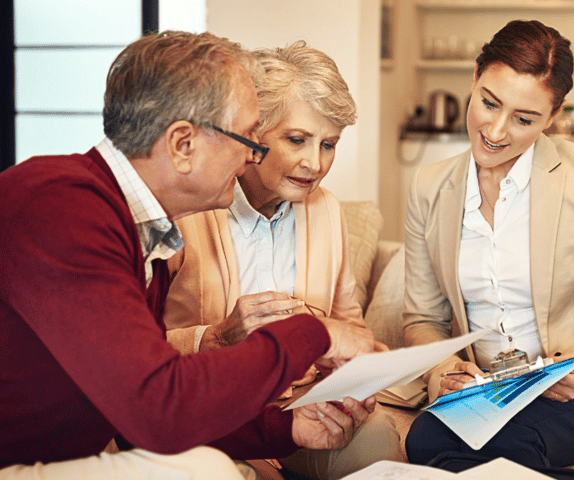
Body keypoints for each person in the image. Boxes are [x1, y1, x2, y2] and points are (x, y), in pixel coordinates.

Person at [0, 31, 377, 480]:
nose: (252, 157)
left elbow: (154, 408)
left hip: (74, 452)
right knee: (208, 471)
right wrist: (314, 334)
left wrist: (287, 427)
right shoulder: (62, 203)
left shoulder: (145, 233)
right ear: (183, 145)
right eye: (249, 137)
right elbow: (160, 407)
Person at [403, 20, 574, 469]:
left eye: (524, 119)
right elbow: (422, 320)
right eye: (489, 103)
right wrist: (443, 369)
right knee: (423, 441)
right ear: (474, 77)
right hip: (491, 394)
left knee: (507, 447)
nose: (496, 130)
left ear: (553, 115)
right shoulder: (429, 187)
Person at [163, 41, 403, 479]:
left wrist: (361, 369)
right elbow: (141, 358)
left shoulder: (326, 210)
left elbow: (348, 321)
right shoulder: (189, 210)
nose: (314, 163)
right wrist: (214, 336)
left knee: (378, 443)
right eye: (297, 140)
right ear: (252, 133)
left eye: (328, 144)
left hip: (303, 404)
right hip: (212, 411)